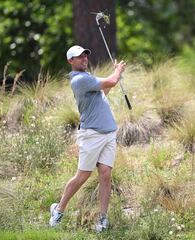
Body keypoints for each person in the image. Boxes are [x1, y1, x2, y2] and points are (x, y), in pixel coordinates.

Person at [49, 45, 126, 232]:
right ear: (70, 61)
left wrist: (115, 75)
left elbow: (104, 91)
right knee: (83, 176)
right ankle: (58, 210)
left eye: (85, 56)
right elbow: (112, 82)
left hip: (108, 133)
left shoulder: (88, 78)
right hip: (91, 135)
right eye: (79, 57)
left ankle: (102, 219)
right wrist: (117, 71)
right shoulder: (79, 80)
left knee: (106, 173)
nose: (84, 59)